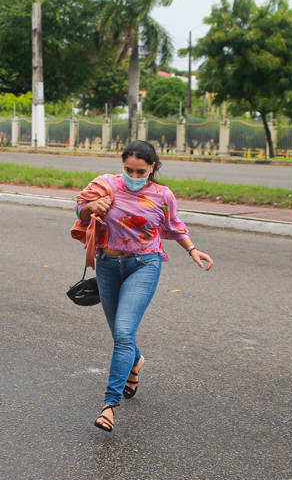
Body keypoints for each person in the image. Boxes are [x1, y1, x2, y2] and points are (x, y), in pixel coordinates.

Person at [74, 140, 214, 432]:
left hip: (144, 265)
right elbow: (80, 211)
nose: (134, 177)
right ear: (122, 165)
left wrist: (192, 249)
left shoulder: (162, 194)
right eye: (129, 170)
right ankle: (135, 361)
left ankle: (109, 406)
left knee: (124, 333)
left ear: (152, 167)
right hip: (107, 265)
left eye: (141, 172)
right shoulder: (105, 184)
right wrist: (90, 207)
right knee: (119, 334)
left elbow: (173, 225)